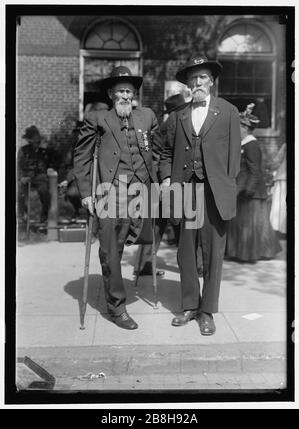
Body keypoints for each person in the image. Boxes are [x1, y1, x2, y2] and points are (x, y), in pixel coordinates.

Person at [73, 66, 163, 330]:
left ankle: (126, 287)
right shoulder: (97, 118)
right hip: (109, 192)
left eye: (129, 91)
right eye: (120, 91)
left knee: (142, 240)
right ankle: (117, 307)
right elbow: (82, 156)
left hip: (141, 191)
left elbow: (156, 152)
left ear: (134, 94)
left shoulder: (147, 116)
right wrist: (87, 193)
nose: (125, 95)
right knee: (111, 250)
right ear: (111, 94)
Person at [159, 55, 241, 336]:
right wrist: (167, 178)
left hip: (214, 192)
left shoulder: (228, 111)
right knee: (186, 251)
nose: (198, 82)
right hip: (185, 189)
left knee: (213, 253)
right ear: (187, 84)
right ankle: (190, 305)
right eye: (193, 79)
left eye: (203, 77)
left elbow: (234, 158)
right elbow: (166, 152)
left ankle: (207, 311)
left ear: (212, 81)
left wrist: (227, 188)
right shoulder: (178, 115)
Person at [133, 93, 187, 277]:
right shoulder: (173, 125)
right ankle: (194, 266)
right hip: (165, 182)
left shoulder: (167, 125)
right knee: (182, 224)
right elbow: (157, 157)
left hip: (160, 181)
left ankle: (144, 264)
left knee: (156, 225)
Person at [225, 103, 281, 262]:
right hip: (244, 189)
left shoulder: (251, 145)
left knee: (251, 225)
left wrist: (248, 190)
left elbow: (254, 170)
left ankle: (250, 254)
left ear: (245, 129)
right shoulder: (245, 144)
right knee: (248, 224)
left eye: (239, 127)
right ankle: (246, 252)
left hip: (252, 192)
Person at [18, 125, 57, 224]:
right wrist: (22, 177)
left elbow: (50, 164)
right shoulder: (23, 151)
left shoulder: (43, 152)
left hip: (39, 178)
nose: (38, 144)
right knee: (19, 191)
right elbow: (18, 166)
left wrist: (50, 169)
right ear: (30, 141)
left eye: (38, 142)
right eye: (36, 142)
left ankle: (43, 219)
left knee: (44, 192)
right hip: (26, 177)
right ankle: (22, 215)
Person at [269, 143, 287, 235]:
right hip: (283, 177)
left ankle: (280, 229)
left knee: (280, 204)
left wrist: (270, 167)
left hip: (283, 177)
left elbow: (277, 160)